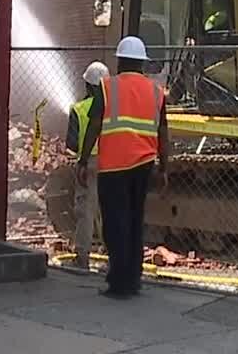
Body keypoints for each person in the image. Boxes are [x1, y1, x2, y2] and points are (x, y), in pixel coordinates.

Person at [76, 36, 170, 298]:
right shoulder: (156, 92)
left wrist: (83, 161)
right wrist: (164, 168)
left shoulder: (107, 88)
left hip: (113, 166)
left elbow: (95, 124)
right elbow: (164, 132)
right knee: (134, 219)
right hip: (143, 165)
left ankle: (119, 283)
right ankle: (134, 279)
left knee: (115, 223)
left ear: (120, 61)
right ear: (142, 63)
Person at [66, 61, 109, 268]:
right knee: (109, 210)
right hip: (112, 161)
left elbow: (72, 144)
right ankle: (114, 258)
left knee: (86, 210)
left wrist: (82, 160)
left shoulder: (78, 109)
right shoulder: (114, 108)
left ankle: (82, 257)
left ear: (88, 85)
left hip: (88, 163)